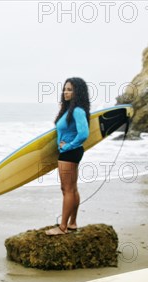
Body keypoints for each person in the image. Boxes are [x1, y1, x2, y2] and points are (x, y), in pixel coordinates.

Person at [46, 77, 91, 236]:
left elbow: (84, 134)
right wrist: (64, 109)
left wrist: (69, 146)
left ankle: (62, 227)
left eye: (70, 89)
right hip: (71, 153)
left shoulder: (78, 111)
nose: (65, 92)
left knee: (67, 190)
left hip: (69, 153)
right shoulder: (70, 110)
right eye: (65, 89)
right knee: (72, 188)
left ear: (78, 92)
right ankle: (72, 223)